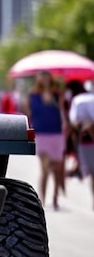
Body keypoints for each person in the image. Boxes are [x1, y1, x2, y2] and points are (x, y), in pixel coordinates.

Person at [23, 70, 67, 210]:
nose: (44, 79)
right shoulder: (33, 95)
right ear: (38, 79)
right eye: (42, 77)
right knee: (45, 168)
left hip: (56, 132)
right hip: (41, 132)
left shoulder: (57, 94)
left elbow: (62, 112)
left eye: (46, 76)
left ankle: (54, 196)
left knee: (56, 168)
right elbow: (28, 112)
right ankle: (41, 199)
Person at [68, 80, 94, 209]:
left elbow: (74, 122)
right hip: (86, 142)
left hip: (85, 142)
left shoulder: (78, 101)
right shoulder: (80, 101)